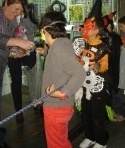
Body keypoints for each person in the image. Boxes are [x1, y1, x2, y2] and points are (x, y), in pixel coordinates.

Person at [0, 0, 34, 148]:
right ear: (6, 3)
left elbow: (3, 48)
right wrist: (18, 42)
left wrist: (15, 54)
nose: (18, 13)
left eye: (20, 11)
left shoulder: (7, 22)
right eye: (16, 9)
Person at [38, 10, 86, 148]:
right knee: (61, 142)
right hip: (59, 106)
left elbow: (79, 73)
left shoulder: (59, 49)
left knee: (56, 145)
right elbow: (60, 59)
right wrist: (45, 52)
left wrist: (64, 92)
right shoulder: (61, 44)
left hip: (56, 107)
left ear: (45, 30)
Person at [7, 0, 38, 124]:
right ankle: (19, 111)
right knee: (16, 81)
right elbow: (7, 30)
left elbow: (33, 29)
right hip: (13, 50)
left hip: (29, 48)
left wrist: (25, 15)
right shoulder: (8, 10)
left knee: (34, 77)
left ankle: (37, 103)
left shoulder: (31, 9)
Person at [78, 16, 110, 148]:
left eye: (88, 27)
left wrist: (98, 66)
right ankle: (90, 136)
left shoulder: (103, 47)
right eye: (84, 27)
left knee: (97, 113)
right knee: (86, 112)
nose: (84, 29)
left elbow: (106, 66)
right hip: (84, 84)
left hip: (97, 85)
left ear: (96, 30)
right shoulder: (81, 43)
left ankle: (101, 140)